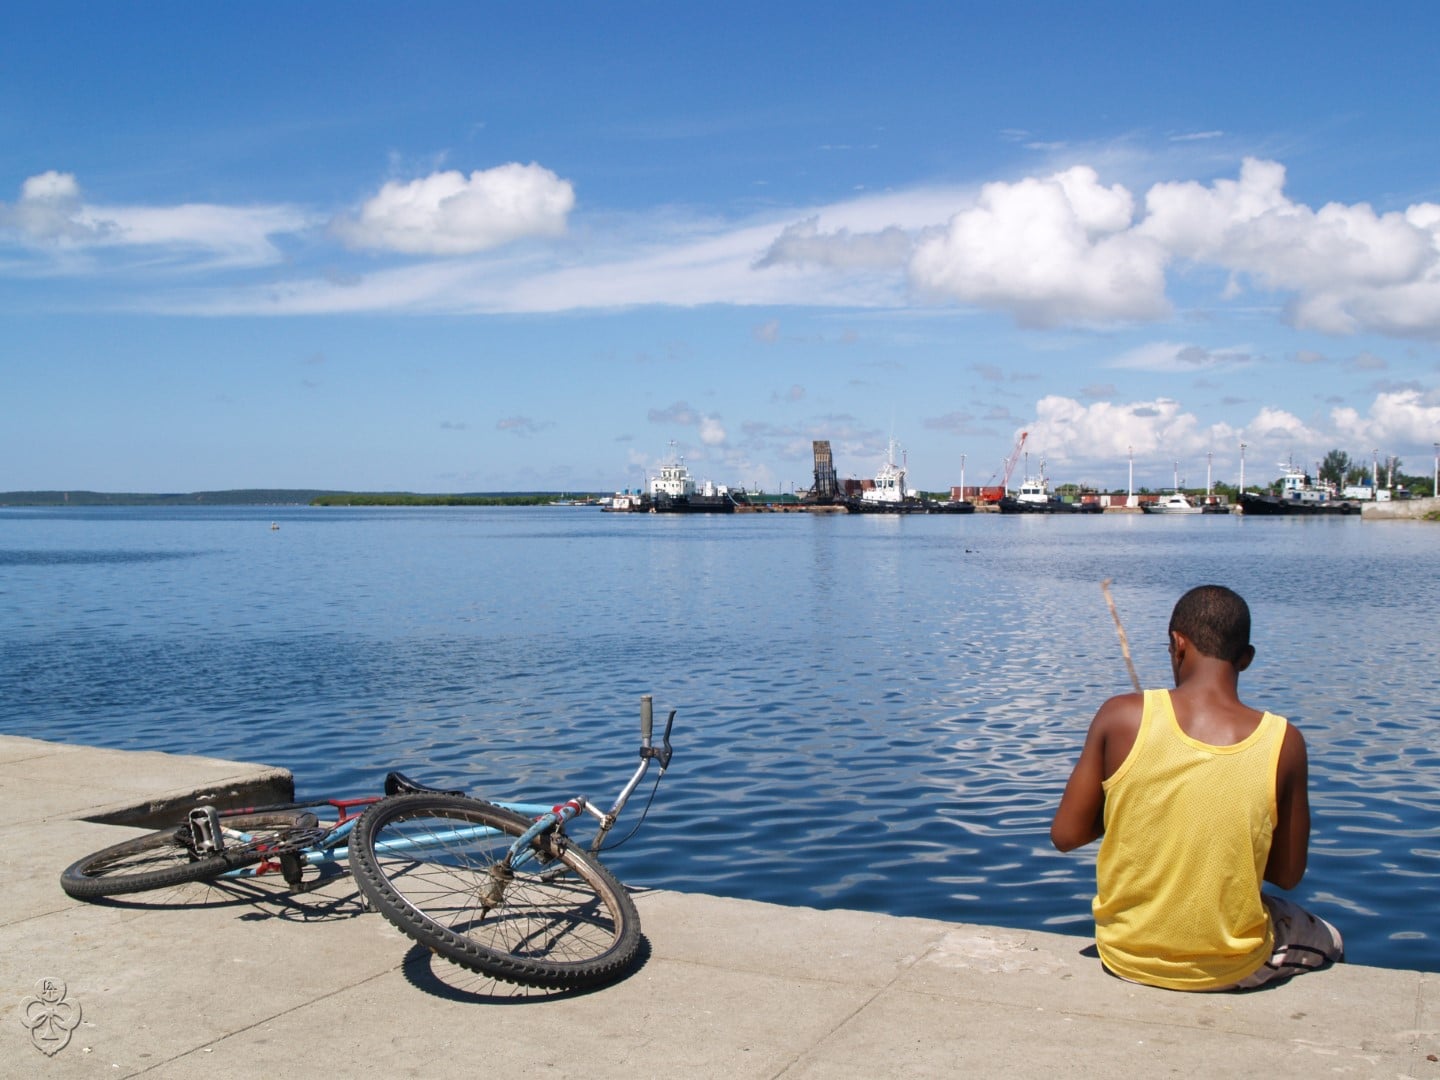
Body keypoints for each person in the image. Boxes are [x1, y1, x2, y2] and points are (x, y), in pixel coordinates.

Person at [1050, 584, 1343, 991]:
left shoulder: (1121, 716)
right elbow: (1287, 874)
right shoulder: (1283, 741)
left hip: (1125, 955)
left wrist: (1133, 799)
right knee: (1330, 939)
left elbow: (1066, 836)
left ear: (1177, 644)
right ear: (1247, 658)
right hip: (1231, 967)